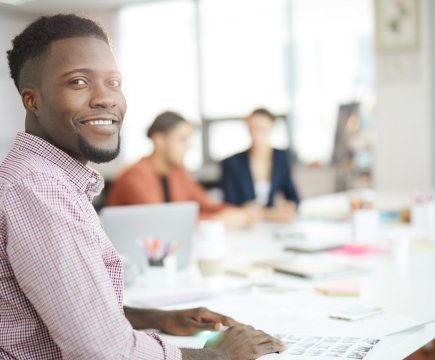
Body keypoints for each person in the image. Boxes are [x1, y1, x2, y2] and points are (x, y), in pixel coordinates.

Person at [0, 14, 283, 359]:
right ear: (33, 101)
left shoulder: (50, 179)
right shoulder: (39, 188)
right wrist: (219, 355)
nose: (106, 99)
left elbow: (58, 313)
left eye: (114, 83)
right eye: (78, 82)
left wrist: (152, 318)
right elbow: (105, 353)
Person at [107, 111, 259, 228]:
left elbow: (207, 204)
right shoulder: (134, 177)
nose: (188, 147)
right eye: (182, 140)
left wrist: (240, 212)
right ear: (159, 140)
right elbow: (163, 224)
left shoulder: (177, 172)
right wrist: (215, 221)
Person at [221, 108, 300, 223]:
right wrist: (268, 213)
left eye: (261, 129)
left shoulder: (281, 157)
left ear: (271, 128)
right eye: (252, 129)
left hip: (273, 223)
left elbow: (293, 196)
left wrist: (289, 206)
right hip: (245, 223)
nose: (256, 134)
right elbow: (230, 203)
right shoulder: (232, 162)